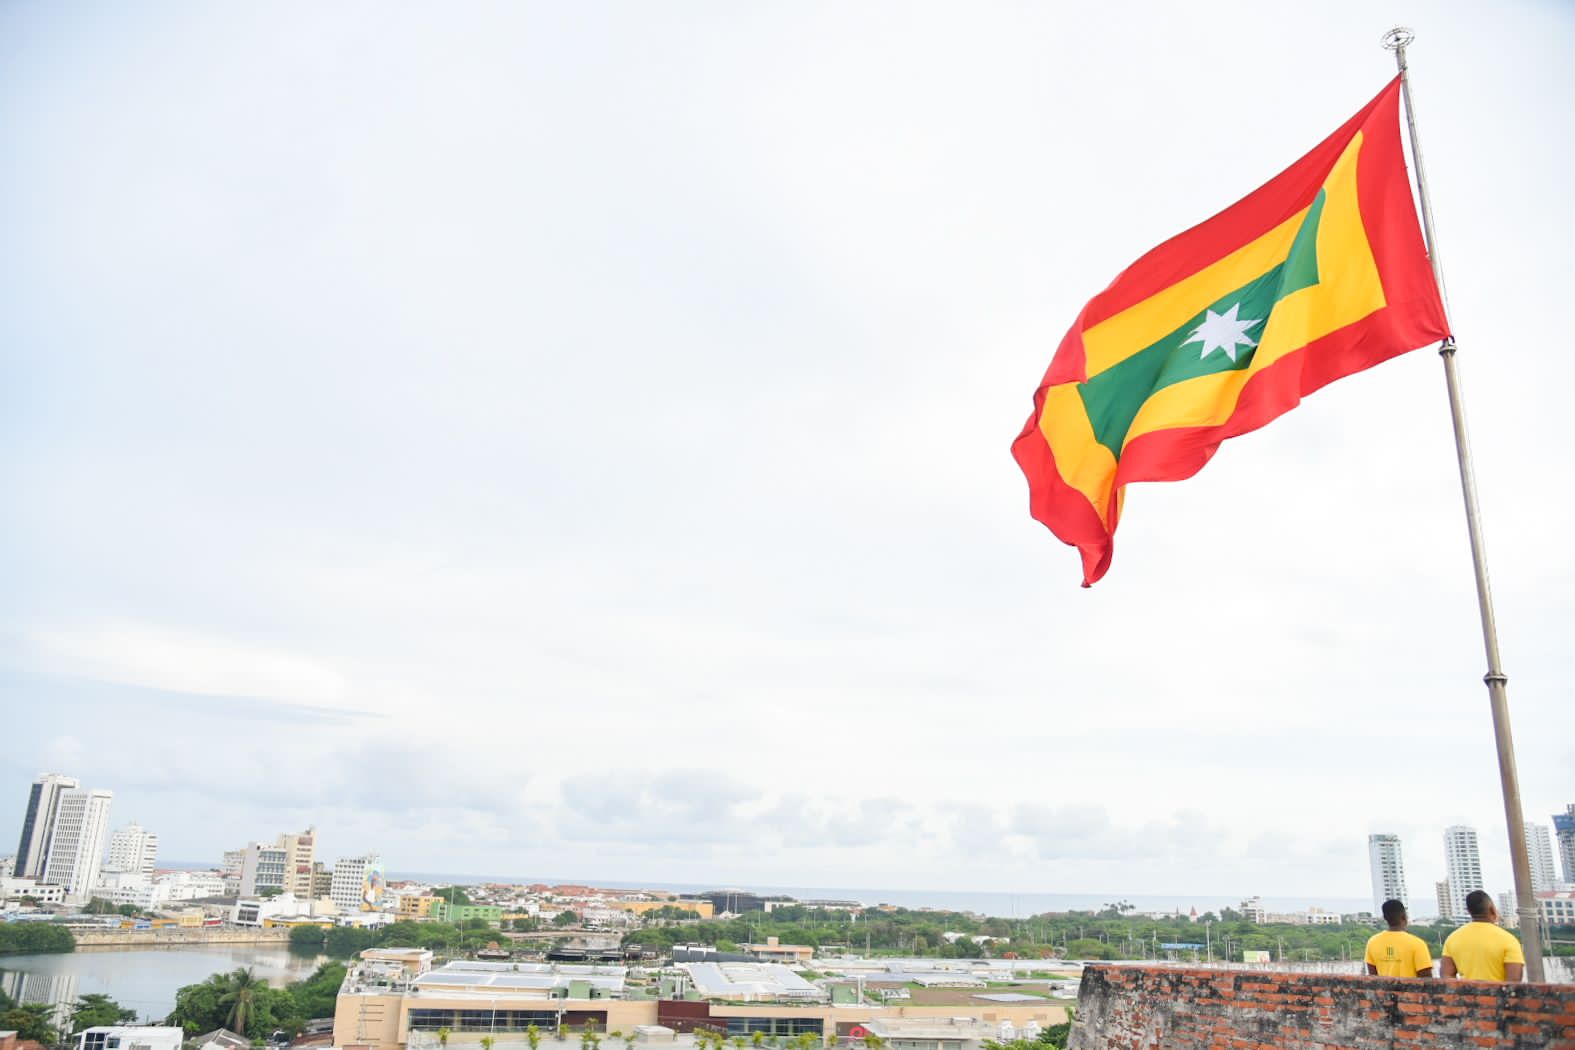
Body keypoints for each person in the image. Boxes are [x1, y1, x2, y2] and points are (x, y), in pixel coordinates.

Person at [1441, 890, 1525, 982]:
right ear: (1492, 910)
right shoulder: (1509, 940)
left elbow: (1446, 975)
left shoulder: (1452, 939)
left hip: (1467, 991)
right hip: (1498, 991)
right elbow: (1514, 980)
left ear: (1469, 911)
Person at [1364, 899, 1433, 977]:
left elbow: (1373, 977)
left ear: (1385, 918)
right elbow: (1427, 980)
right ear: (1404, 917)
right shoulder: (1418, 944)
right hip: (1409, 986)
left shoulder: (1372, 942)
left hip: (1382, 985)